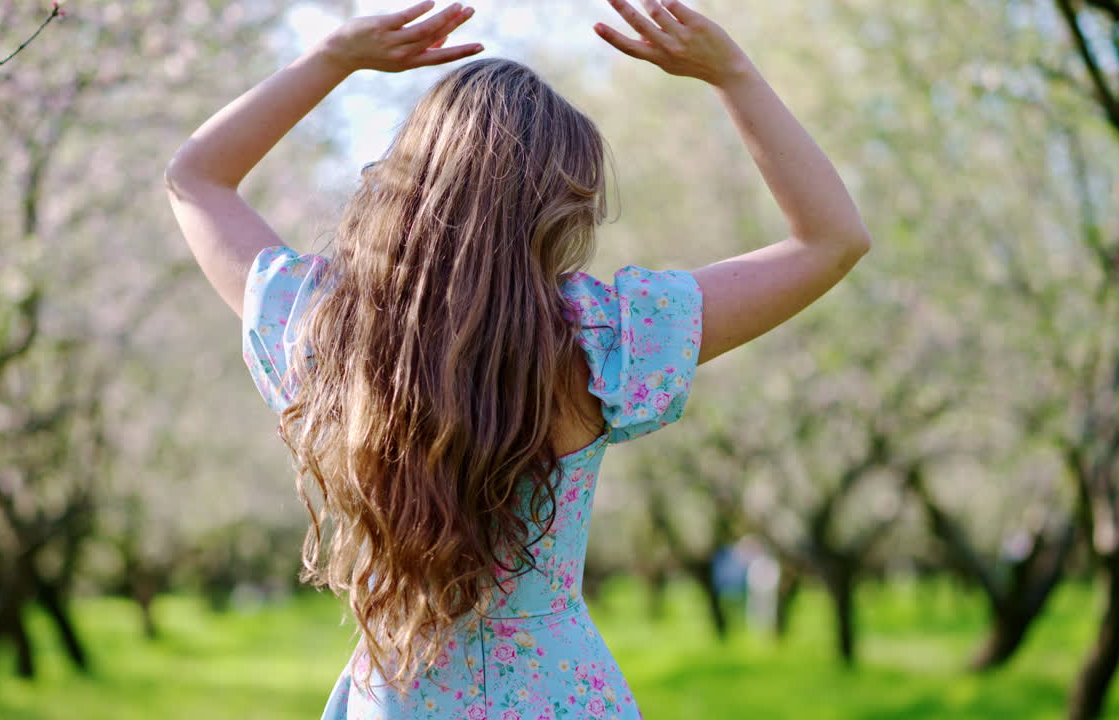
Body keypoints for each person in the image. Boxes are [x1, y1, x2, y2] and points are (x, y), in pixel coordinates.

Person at [165, 1, 871, 717]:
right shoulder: (605, 339)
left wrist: (333, 58)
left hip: (399, 696)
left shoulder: (328, 327)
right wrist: (734, 74)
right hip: (560, 695)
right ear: (562, 210)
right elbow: (831, 239)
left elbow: (194, 178)